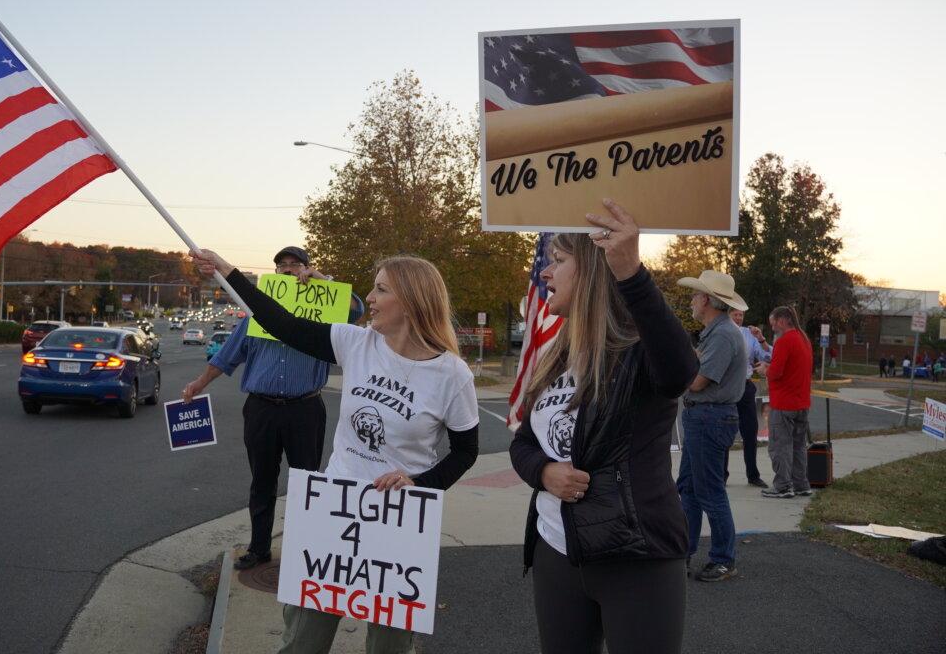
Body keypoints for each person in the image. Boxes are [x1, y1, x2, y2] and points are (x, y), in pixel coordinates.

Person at [190, 248, 480, 654]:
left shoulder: (452, 373)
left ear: (412, 301)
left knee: (388, 645)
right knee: (304, 640)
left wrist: (419, 482)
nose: (371, 299)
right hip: (334, 512)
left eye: (381, 290)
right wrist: (228, 271)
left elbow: (466, 451)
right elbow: (280, 322)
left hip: (397, 523)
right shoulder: (355, 343)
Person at [509, 200, 698, 654]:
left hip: (636, 556)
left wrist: (631, 273)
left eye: (557, 261)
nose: (544, 274)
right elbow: (524, 443)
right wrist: (543, 472)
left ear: (592, 270)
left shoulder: (638, 351)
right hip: (556, 550)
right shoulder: (556, 355)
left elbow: (678, 372)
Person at [182, 246, 363, 571]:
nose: (289, 270)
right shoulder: (255, 315)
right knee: (262, 481)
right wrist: (198, 384)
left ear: (306, 269)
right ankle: (259, 548)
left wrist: (322, 281)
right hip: (261, 409)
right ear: (275, 273)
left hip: (304, 410)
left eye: (296, 265)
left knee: (307, 483)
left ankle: (303, 550)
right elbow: (227, 356)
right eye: (283, 266)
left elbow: (355, 311)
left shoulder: (323, 312)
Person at [677, 269, 749, 582]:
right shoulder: (718, 332)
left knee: (707, 491)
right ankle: (684, 552)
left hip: (709, 417)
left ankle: (723, 559)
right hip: (704, 417)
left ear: (706, 300)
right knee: (690, 489)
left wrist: (675, 366)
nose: (692, 301)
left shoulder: (722, 335)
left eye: (695, 295)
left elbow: (696, 382)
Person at [755, 305, 813, 498]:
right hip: (801, 402)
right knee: (798, 445)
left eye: (773, 323)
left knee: (780, 445)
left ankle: (782, 485)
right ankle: (801, 484)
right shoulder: (803, 338)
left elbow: (777, 372)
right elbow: (791, 368)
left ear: (781, 321)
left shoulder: (784, 341)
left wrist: (765, 369)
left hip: (783, 403)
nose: (772, 328)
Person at [727, 308, 771, 488]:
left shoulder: (750, 335)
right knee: (725, 433)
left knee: (750, 432)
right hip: (727, 388)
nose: (738, 318)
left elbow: (769, 356)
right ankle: (721, 475)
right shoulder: (721, 332)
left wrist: (761, 339)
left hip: (745, 387)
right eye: (735, 314)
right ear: (728, 315)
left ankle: (753, 475)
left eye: (741, 315)